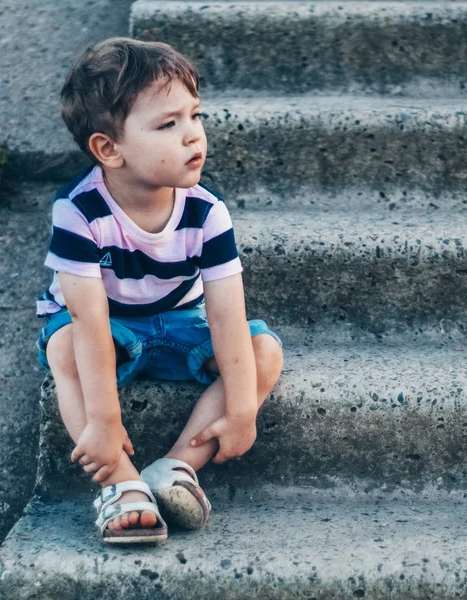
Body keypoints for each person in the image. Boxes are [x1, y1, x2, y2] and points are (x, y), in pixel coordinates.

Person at [35, 37, 284, 544]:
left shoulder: (206, 211)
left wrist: (241, 410)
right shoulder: (78, 212)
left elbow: (227, 317)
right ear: (109, 148)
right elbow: (88, 321)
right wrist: (106, 423)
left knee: (265, 351)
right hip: (109, 328)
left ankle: (174, 468)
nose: (194, 136)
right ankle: (122, 485)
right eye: (168, 125)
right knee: (61, 345)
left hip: (180, 324)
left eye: (195, 116)